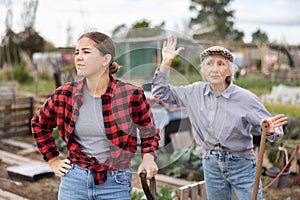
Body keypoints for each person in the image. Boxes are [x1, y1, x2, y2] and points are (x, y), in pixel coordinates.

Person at [151, 36, 288, 200]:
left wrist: (272, 130)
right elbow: (160, 92)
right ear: (204, 71)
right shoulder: (193, 92)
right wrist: (165, 63)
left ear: (229, 71)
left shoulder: (246, 99)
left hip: (242, 165)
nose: (214, 69)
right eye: (209, 64)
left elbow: (273, 128)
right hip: (211, 164)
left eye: (221, 64)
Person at [31, 31, 160, 200]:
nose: (78, 57)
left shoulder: (130, 95)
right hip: (74, 181)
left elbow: (148, 131)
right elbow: (39, 124)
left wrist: (148, 158)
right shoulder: (64, 95)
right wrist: (53, 160)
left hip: (115, 182)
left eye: (86, 52)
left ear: (105, 59)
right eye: (77, 52)